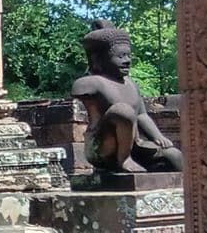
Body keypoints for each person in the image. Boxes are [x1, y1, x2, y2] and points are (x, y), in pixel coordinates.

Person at [74, 21, 183, 177]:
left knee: (175, 156)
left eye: (128, 55)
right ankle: (123, 160)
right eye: (120, 56)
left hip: (136, 146)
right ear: (100, 58)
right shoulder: (91, 83)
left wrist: (157, 136)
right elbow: (124, 115)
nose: (127, 60)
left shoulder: (131, 84)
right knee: (122, 110)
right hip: (103, 147)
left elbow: (142, 115)